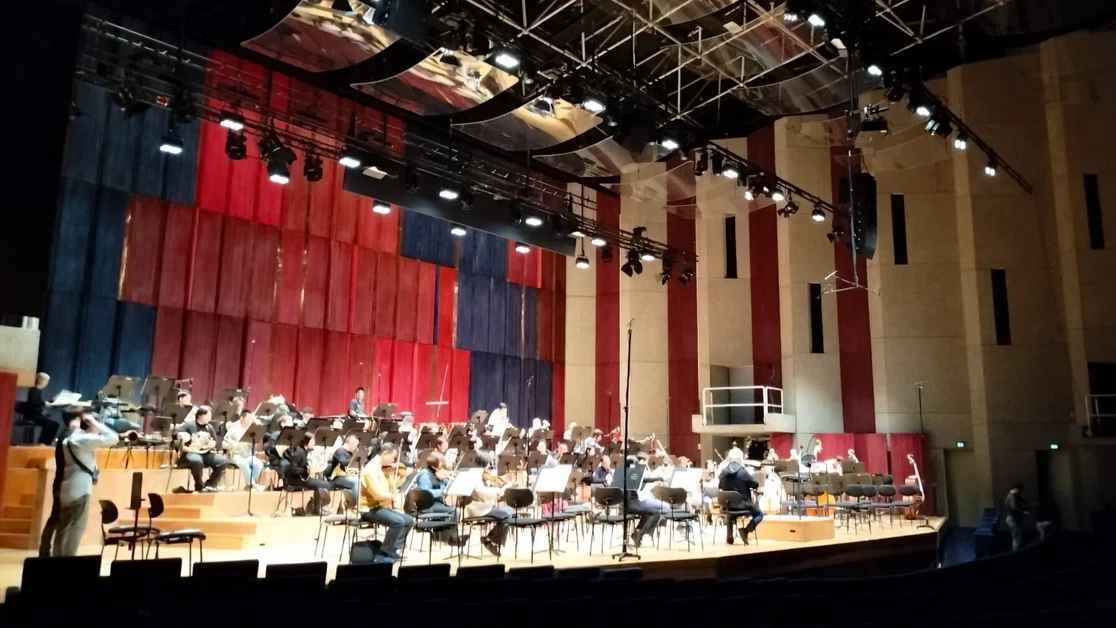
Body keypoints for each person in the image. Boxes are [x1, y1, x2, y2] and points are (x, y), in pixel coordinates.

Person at [54, 411, 119, 555]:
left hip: (67, 488)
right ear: (89, 425)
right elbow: (114, 438)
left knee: (63, 528)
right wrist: (95, 422)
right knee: (76, 528)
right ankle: (68, 559)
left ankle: (56, 559)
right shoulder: (83, 440)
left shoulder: (69, 439)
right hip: (80, 489)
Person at [359, 443, 413, 563]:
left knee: (409, 520)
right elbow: (377, 495)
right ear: (385, 453)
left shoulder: (379, 468)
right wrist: (392, 496)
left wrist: (400, 479)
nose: (393, 461)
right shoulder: (371, 470)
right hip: (368, 509)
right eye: (393, 457)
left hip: (379, 507)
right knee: (398, 521)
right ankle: (385, 552)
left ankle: (393, 549)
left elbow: (386, 489)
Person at [175, 406, 228, 492]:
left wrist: (212, 444)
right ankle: (199, 485)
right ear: (200, 416)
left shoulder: (209, 427)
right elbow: (176, 438)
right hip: (190, 453)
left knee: (223, 461)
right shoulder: (189, 425)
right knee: (197, 461)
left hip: (205, 453)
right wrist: (183, 440)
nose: (210, 418)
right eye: (208, 416)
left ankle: (210, 484)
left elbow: (215, 441)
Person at [718, 448, 763, 544]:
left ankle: (729, 537)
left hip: (727, 506)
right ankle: (745, 531)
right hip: (743, 505)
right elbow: (754, 484)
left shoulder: (723, 472)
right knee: (759, 514)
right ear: (740, 459)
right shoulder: (742, 472)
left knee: (730, 513)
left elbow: (720, 486)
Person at [222, 410, 265, 491]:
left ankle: (249, 486)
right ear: (242, 418)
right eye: (248, 419)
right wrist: (232, 445)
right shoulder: (233, 429)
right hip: (234, 455)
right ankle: (253, 485)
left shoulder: (251, 431)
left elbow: (255, 447)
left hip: (247, 455)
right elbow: (224, 444)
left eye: (251, 419)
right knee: (243, 463)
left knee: (258, 464)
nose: (250, 421)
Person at [18, 372, 59, 445]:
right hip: (32, 415)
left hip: (36, 414)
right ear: (42, 381)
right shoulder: (34, 390)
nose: (47, 383)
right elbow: (34, 403)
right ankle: (43, 442)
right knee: (51, 424)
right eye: (47, 381)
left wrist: (51, 401)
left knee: (54, 424)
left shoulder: (37, 390)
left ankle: (45, 442)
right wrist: (44, 404)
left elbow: (38, 402)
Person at [323, 433, 361, 506]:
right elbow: (343, 462)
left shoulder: (350, 453)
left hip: (346, 476)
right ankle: (355, 505)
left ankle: (357, 502)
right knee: (357, 482)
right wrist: (354, 458)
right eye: (356, 445)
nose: (356, 447)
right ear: (351, 443)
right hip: (337, 478)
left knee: (362, 479)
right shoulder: (340, 451)